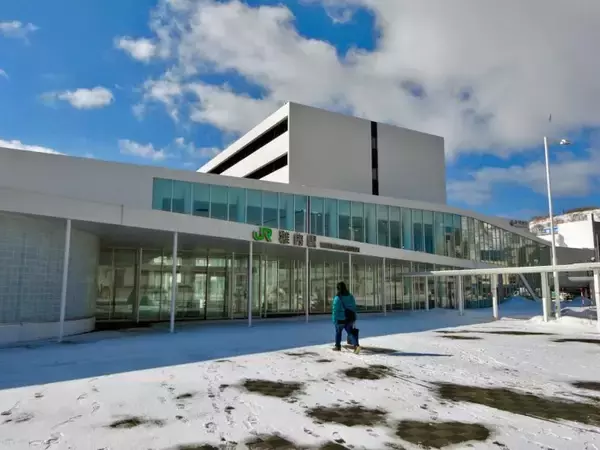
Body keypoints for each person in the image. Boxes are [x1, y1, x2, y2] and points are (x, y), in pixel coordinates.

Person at [331, 281, 360, 353]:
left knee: (338, 332)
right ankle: (356, 346)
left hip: (340, 319)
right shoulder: (350, 296)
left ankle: (337, 346)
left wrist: (334, 319)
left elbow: (335, 310)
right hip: (349, 318)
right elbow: (354, 307)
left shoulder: (337, 298)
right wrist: (354, 317)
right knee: (350, 332)